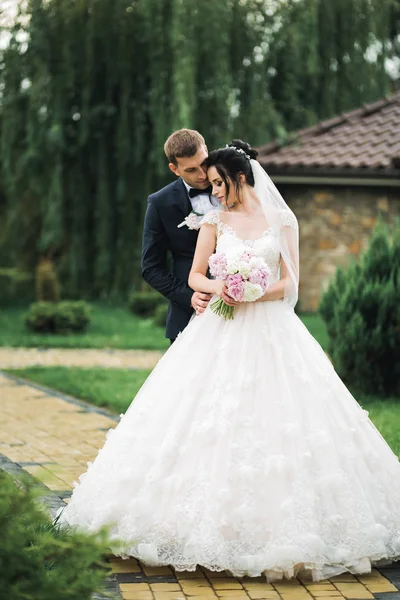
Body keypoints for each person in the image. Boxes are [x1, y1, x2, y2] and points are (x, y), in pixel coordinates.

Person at [58, 140, 400, 582]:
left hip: (273, 331)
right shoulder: (213, 221)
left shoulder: (283, 219)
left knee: (281, 420)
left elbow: (292, 283)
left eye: (219, 182)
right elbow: (195, 274)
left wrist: (255, 290)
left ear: (240, 178)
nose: (214, 191)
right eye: (210, 182)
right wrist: (225, 288)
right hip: (218, 328)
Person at [141, 128, 219, 343]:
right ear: (174, 169)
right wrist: (189, 297)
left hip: (243, 309)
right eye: (192, 170)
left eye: (204, 163)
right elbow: (151, 268)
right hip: (190, 315)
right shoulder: (160, 203)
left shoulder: (234, 189)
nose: (203, 174)